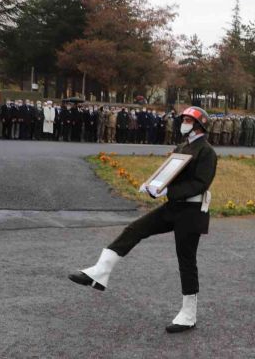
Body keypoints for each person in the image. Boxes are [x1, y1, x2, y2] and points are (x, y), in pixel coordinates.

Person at [69, 106, 217, 333]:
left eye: (188, 119)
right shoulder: (183, 146)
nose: (183, 122)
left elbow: (200, 184)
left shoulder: (206, 151)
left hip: (192, 212)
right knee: (135, 229)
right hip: (174, 207)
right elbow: (170, 174)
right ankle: (101, 271)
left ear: (199, 125)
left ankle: (188, 314)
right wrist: (155, 186)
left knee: (186, 260)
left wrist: (168, 191)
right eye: (184, 119)